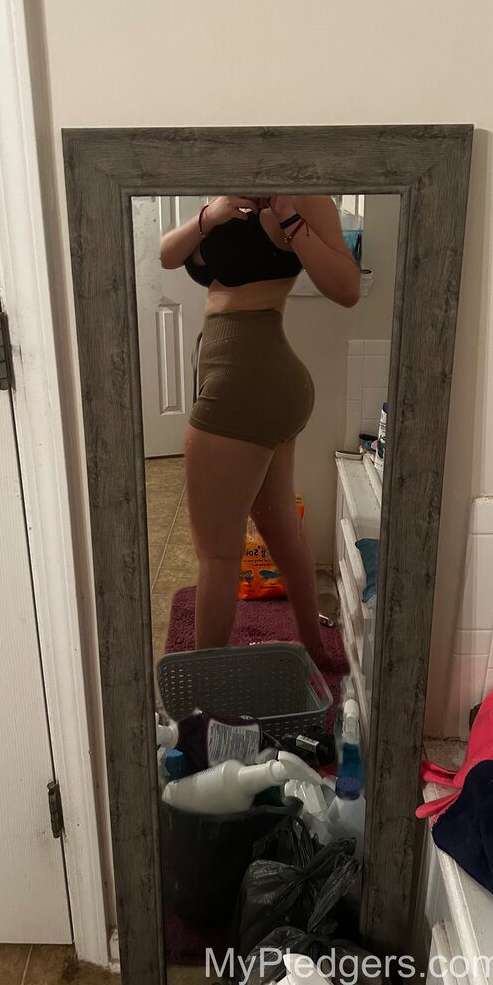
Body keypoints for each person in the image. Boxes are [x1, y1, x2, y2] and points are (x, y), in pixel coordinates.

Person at [159, 194, 360, 667]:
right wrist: (210, 216)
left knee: (218, 554)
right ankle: (314, 651)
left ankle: (205, 688)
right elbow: (167, 254)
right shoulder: (227, 193)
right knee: (281, 532)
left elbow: (347, 288)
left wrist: (289, 216)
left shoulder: (304, 199)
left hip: (243, 382)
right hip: (255, 381)